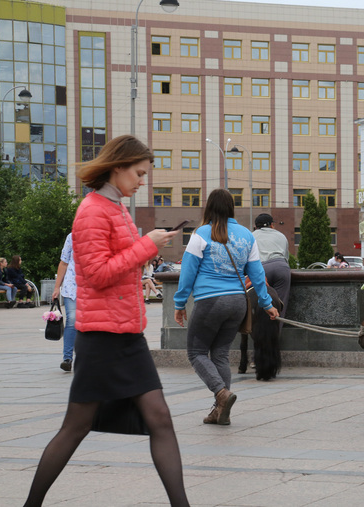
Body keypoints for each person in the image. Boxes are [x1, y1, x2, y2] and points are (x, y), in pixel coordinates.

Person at [23, 134, 190, 507]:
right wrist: (148, 246)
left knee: (160, 419)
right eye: (139, 173)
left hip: (126, 333)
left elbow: (122, 263)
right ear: (118, 168)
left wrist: (146, 248)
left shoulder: (116, 208)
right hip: (101, 337)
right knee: (76, 427)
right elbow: (96, 274)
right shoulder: (93, 211)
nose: (143, 181)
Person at [174, 190, 279, 425]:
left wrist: (180, 303)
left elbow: (188, 273)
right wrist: (266, 303)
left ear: (209, 208)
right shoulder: (246, 235)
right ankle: (220, 411)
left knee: (196, 352)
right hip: (237, 303)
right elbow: (257, 274)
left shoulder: (201, 233)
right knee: (220, 354)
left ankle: (222, 394)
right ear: (231, 208)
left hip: (211, 301)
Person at [253, 213, 291, 327]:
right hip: (281, 268)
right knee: (280, 305)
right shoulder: (281, 236)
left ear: (256, 226)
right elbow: (286, 257)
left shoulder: (252, 235)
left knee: (260, 304)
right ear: (272, 225)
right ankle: (276, 335)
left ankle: (260, 335)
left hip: (261, 269)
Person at [52, 233, 77, 372]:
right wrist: (57, 287)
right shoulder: (72, 236)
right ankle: (67, 358)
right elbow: (64, 262)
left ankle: (86, 357)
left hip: (92, 288)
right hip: (71, 286)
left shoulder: (100, 235)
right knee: (72, 320)